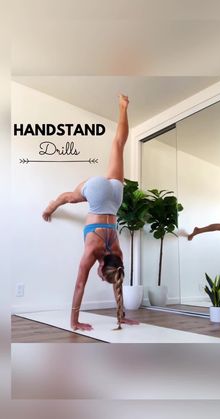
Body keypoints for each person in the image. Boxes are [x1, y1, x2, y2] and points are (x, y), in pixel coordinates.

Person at [42, 94, 139, 331]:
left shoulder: (118, 255)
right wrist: (74, 322)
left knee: (118, 145)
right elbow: (79, 286)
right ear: (102, 268)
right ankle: (51, 205)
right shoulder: (92, 251)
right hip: (97, 196)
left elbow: (118, 284)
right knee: (69, 198)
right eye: (102, 275)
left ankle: (123, 107)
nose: (100, 277)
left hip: (115, 196)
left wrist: (122, 317)